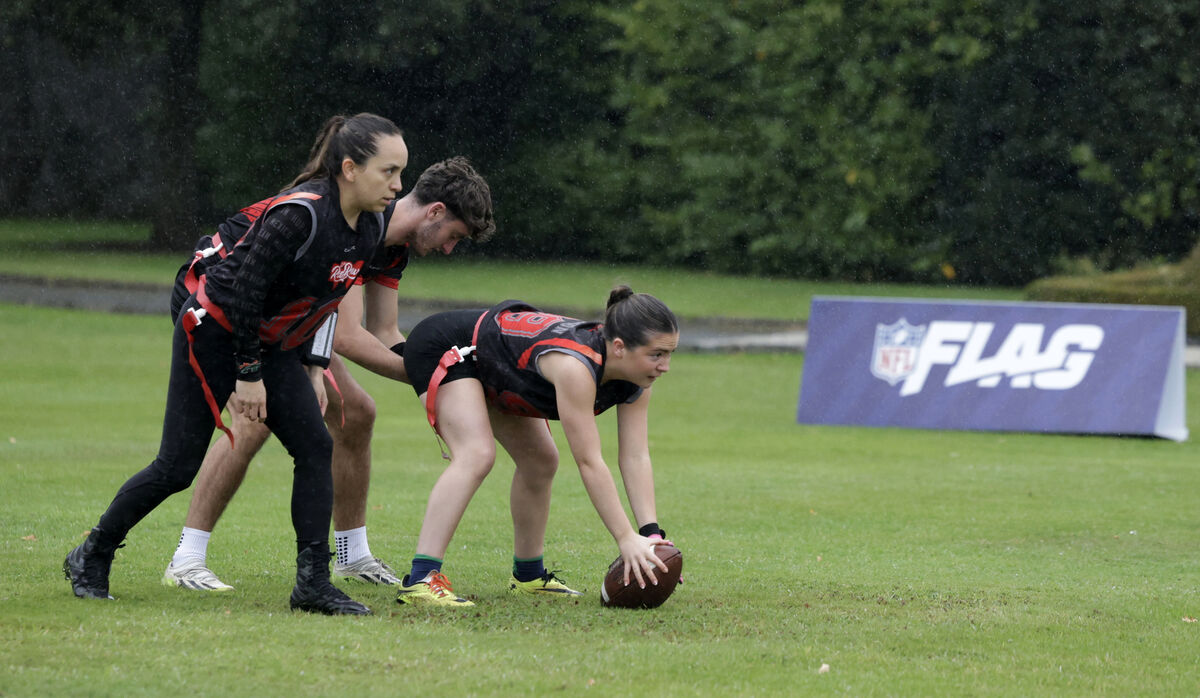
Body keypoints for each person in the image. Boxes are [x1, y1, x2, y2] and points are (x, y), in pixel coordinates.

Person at [64, 113, 410, 615]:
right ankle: (92, 554)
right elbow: (245, 292)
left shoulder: (371, 225)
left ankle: (312, 585)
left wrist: (315, 368)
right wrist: (248, 375)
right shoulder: (299, 215)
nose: (397, 186)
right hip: (212, 330)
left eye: (401, 173)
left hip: (270, 343)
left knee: (315, 445)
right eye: (389, 172)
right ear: (350, 169)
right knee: (176, 467)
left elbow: (327, 301)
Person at [159, 157, 495, 593]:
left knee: (357, 413)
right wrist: (442, 380)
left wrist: (444, 373)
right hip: (214, 299)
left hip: (287, 319)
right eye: (454, 236)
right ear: (435, 211)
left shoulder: (393, 248)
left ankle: (351, 556)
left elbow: (385, 332)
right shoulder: (364, 225)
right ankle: (186, 559)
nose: (449, 249)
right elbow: (349, 336)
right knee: (255, 417)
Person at [394, 286, 678, 607]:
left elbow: (635, 456)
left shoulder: (637, 378)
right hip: (451, 346)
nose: (665, 366)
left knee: (541, 461)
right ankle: (421, 579)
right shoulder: (576, 368)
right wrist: (625, 538)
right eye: (656, 355)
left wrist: (651, 535)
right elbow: (589, 461)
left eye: (669, 354)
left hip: (496, 367)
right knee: (476, 454)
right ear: (619, 347)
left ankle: (528, 575)